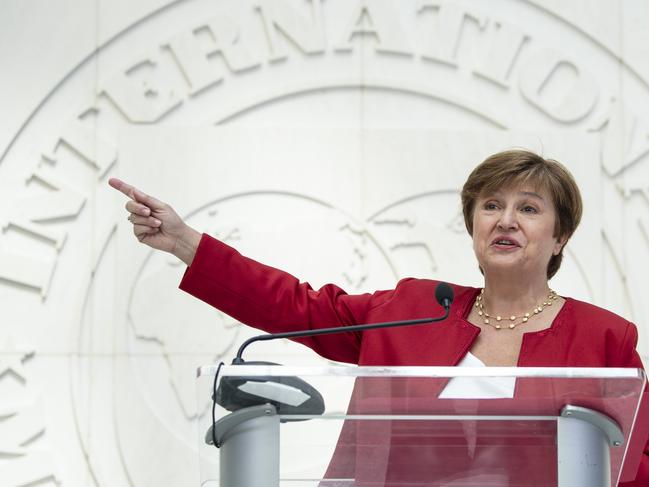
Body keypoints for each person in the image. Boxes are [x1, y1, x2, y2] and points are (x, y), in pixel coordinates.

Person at [109, 149, 648, 486]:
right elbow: (298, 306)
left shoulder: (604, 338)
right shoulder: (415, 308)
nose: (506, 221)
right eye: (491, 206)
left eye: (529, 208)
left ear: (560, 237)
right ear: (473, 225)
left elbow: (638, 463)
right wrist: (185, 242)